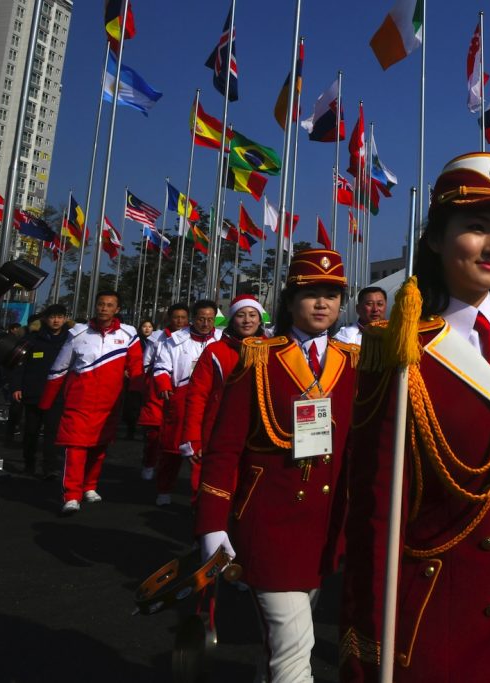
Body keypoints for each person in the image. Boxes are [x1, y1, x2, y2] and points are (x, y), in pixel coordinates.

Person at [340, 152, 490, 683]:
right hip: (449, 606)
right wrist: (370, 635)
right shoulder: (400, 349)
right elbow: (377, 503)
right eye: (476, 228)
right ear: (434, 240)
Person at [196, 249, 358, 682]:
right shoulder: (258, 360)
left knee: (280, 643)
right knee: (294, 646)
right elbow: (225, 449)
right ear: (289, 302)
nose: (322, 304)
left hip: (324, 528)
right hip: (268, 523)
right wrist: (212, 525)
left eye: (331, 295)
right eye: (310, 294)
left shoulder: (354, 363)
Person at [39, 290, 142, 515]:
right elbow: (59, 368)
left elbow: (136, 367)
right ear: (95, 307)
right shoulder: (78, 333)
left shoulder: (128, 334)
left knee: (99, 448)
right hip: (79, 403)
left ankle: (90, 486)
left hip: (110, 404)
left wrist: (136, 393)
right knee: (75, 449)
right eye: (101, 304)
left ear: (117, 309)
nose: (104, 308)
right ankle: (71, 495)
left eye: (109, 305)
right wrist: (46, 403)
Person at [179, 295, 266, 464]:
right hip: (221, 430)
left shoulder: (273, 348)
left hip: (261, 433)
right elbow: (197, 396)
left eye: (252, 315)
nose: (247, 320)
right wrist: (193, 438)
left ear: (260, 319)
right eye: (241, 315)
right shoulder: (215, 351)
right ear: (232, 319)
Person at [151, 299, 222, 507]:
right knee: (173, 450)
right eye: (201, 319)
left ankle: (199, 498)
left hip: (212, 400)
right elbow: (160, 367)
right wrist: (163, 384)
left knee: (204, 452)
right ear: (193, 319)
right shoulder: (174, 340)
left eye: (210, 319)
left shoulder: (221, 338)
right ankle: (164, 489)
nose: (206, 323)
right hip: (181, 398)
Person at [9, 304, 70, 479]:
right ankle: (29, 463)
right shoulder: (32, 339)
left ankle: (49, 467)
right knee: (31, 431)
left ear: (65, 318)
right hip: (33, 392)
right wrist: (16, 387)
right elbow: (19, 365)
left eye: (60, 316)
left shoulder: (70, 340)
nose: (56, 320)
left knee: (52, 433)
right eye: (52, 317)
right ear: (45, 319)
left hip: (57, 395)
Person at [137, 304, 188, 480]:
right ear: (169, 318)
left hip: (182, 389)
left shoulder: (192, 337)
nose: (179, 321)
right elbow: (146, 364)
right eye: (176, 317)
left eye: (183, 317)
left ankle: (168, 471)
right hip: (158, 390)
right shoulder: (156, 338)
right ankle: (149, 463)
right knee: (154, 434)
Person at [122, 319, 155, 440]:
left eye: (150, 327)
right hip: (134, 378)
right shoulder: (135, 341)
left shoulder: (155, 342)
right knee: (132, 405)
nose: (147, 329)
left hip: (148, 378)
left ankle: (145, 431)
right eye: (144, 326)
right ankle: (130, 430)